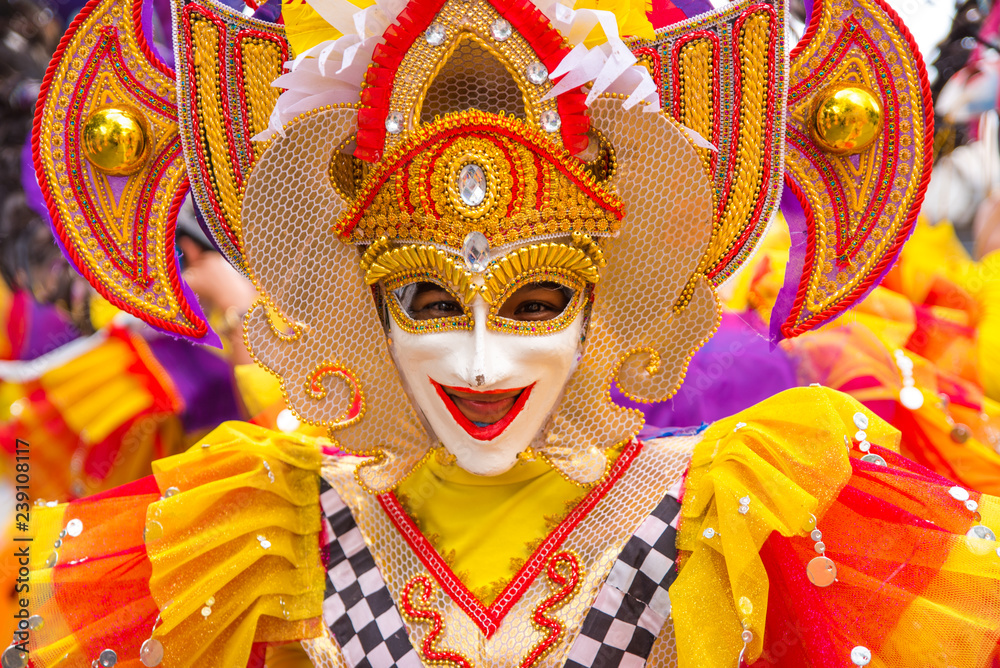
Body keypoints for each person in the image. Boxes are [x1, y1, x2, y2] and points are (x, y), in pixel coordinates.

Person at [14, 0, 1000, 666]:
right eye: (429, 302)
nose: (481, 360)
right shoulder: (264, 535)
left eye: (536, 302)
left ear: (608, 295)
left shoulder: (735, 513)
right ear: (364, 306)